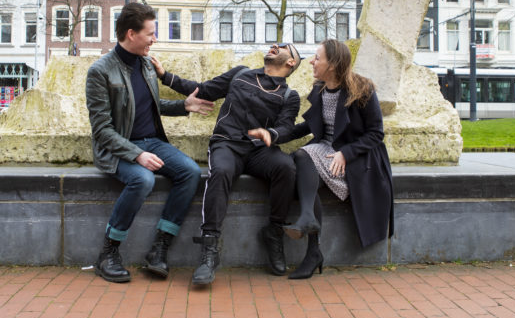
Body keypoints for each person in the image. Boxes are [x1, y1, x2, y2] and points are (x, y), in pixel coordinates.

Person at [151, 43, 302, 285]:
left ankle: (274, 233)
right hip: (227, 144)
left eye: (283, 46)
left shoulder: (289, 96)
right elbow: (204, 90)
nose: (275, 45)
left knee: (285, 166)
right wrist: (165, 77)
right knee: (220, 171)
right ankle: (209, 251)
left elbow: (286, 127)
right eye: (275, 44)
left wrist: (270, 133)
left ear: (291, 62)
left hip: (258, 151)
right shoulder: (241, 74)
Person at [85, 2, 214, 283]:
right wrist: (136, 155)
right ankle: (108, 252)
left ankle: (159, 248)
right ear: (131, 34)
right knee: (143, 180)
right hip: (118, 148)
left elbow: (149, 105)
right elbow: (102, 130)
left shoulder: (145, 65)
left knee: (190, 172)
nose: (154, 39)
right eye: (150, 33)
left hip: (151, 142)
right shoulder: (100, 72)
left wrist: (185, 106)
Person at [279, 39, 394, 279]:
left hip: (358, 157)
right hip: (325, 150)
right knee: (298, 169)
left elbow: (376, 133)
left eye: (317, 58)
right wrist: (272, 135)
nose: (311, 61)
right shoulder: (320, 89)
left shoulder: (363, 89)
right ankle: (313, 250)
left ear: (332, 64)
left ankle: (310, 232)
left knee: (301, 156)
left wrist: (346, 153)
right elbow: (307, 127)